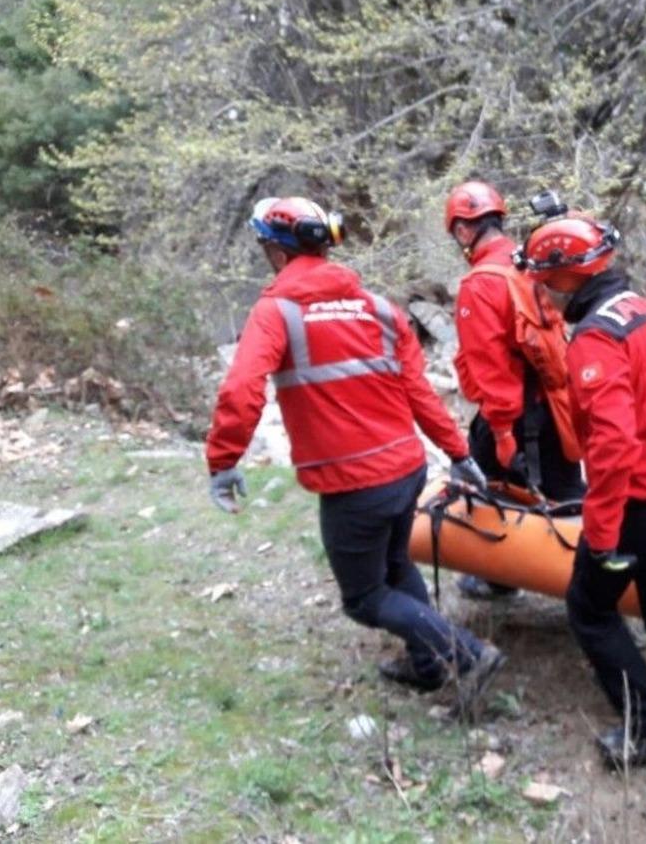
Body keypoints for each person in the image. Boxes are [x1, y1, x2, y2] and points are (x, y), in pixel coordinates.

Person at [206, 195, 505, 708]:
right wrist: (458, 453)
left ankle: (468, 654)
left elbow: (241, 389)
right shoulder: (379, 309)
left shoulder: (276, 312)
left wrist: (222, 461)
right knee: (396, 566)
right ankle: (427, 665)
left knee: (365, 598)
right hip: (406, 470)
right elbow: (419, 393)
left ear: (277, 252)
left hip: (354, 485)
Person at [519, 207, 646, 767]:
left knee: (589, 608)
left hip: (645, 501)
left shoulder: (596, 340)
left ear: (567, 278)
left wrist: (603, 534)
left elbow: (613, 446)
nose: (544, 296)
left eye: (545, 283)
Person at [445, 180, 586, 599]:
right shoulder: (530, 263)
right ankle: (598, 574)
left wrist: (503, 432)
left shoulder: (479, 285)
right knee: (568, 495)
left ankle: (503, 580)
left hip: (517, 417)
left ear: (464, 230)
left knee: (491, 495)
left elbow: (492, 370)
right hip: (554, 405)